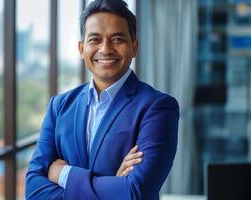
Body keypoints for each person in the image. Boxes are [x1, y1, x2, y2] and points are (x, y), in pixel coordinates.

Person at [25, 0, 179, 199]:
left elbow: (135, 192)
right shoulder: (59, 106)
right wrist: (113, 186)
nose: (105, 49)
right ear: (81, 49)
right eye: (94, 40)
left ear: (134, 47)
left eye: (117, 39)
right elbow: (33, 191)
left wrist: (63, 174)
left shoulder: (158, 108)